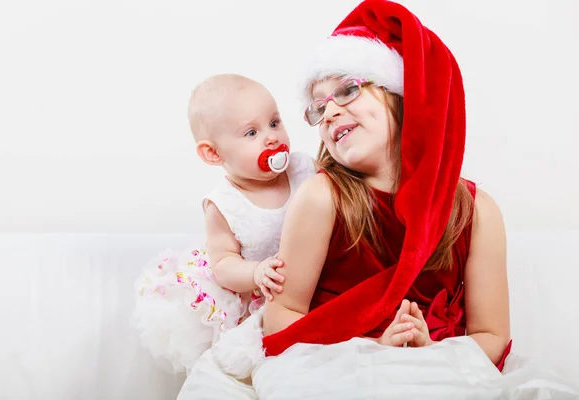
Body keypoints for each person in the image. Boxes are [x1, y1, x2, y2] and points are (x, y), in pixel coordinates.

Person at [177, 1, 579, 399]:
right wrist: (368, 348)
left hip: (440, 367)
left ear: (402, 97)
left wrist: (431, 352)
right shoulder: (322, 198)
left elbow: (493, 335)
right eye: (318, 108)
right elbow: (282, 320)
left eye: (347, 90)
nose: (330, 111)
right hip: (338, 361)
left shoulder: (476, 211)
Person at [133, 74, 317, 374]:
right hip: (263, 300)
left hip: (311, 284)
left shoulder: (303, 168)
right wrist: (256, 272)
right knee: (268, 363)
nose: (271, 137)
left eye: (274, 122)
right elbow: (223, 263)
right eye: (251, 133)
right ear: (214, 153)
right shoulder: (225, 205)